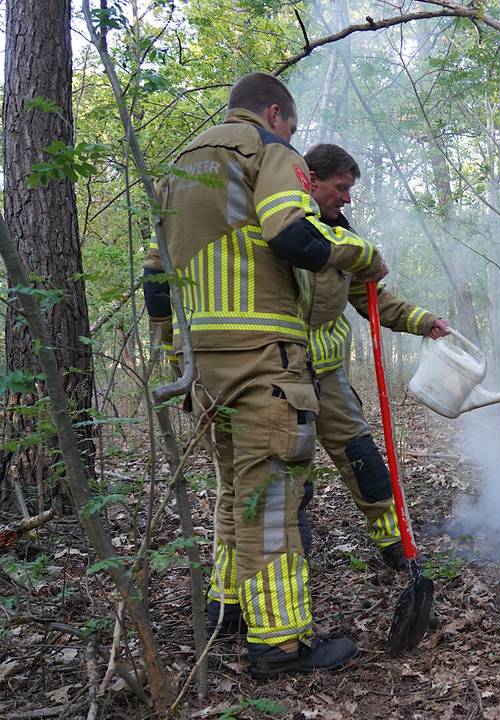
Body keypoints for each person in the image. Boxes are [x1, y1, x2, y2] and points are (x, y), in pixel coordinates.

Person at [142, 73, 388, 678]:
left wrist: (175, 353)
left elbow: (155, 276)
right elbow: (292, 235)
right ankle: (280, 643)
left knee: (234, 491)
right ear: (275, 114)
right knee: (273, 497)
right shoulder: (267, 151)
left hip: (207, 363)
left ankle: (229, 609)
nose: (293, 142)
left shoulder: (180, 165)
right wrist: (358, 254)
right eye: (292, 130)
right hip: (265, 360)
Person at [301, 143, 450, 570]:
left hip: (328, 377)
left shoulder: (346, 244)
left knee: (363, 459)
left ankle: (395, 546)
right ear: (309, 181)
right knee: (290, 482)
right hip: (277, 376)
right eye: (341, 187)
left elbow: (373, 300)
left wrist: (424, 321)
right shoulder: (276, 235)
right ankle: (276, 579)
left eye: (350, 190)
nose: (347, 198)